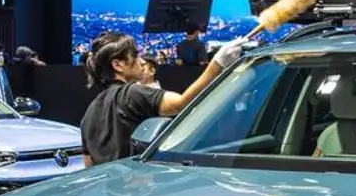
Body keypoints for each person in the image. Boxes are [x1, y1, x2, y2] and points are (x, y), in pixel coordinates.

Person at [79, 31, 244, 167]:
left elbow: (89, 164)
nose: (141, 61)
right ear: (117, 65)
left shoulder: (89, 113)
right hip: (136, 188)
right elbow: (182, 103)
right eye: (135, 55)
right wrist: (217, 64)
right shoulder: (131, 94)